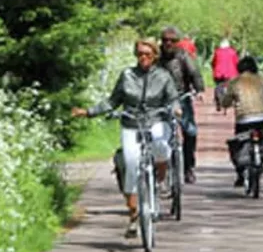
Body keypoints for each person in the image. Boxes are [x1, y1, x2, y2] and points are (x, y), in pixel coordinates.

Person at [72, 39, 181, 238]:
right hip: (131, 123)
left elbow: (172, 98)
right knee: (131, 163)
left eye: (148, 54)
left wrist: (176, 108)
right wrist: (88, 112)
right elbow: (113, 101)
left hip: (157, 120)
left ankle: (159, 180)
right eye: (140, 54)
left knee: (161, 146)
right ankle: (134, 210)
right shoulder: (127, 76)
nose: (143, 58)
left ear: (155, 56)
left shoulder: (163, 76)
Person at [225, 55, 263, 189]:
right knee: (260, 138)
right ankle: (259, 156)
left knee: (239, 143)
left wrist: (226, 103)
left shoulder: (235, 82)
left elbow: (226, 101)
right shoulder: (261, 80)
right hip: (260, 117)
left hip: (243, 119)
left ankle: (240, 175)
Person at [160, 26, 206, 183]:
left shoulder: (183, 56)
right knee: (158, 133)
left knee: (190, 131)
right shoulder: (156, 57)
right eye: (165, 40)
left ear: (177, 42)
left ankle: (189, 168)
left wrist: (199, 89)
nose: (168, 43)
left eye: (172, 40)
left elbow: (194, 73)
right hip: (161, 100)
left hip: (181, 97)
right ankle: (160, 168)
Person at [211, 39, 239, 114]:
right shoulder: (233, 52)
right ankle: (236, 102)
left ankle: (218, 103)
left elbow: (213, 62)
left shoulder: (217, 52)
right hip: (231, 74)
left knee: (218, 86)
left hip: (219, 73)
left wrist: (214, 67)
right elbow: (237, 62)